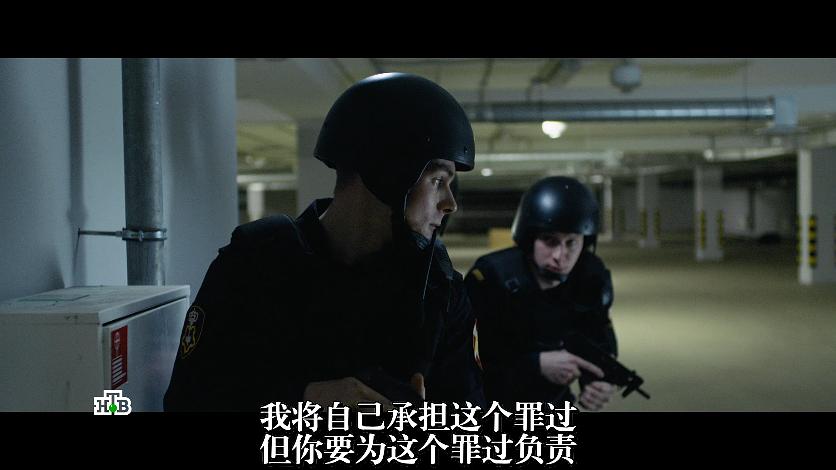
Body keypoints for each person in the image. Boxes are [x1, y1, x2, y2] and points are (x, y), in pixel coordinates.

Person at [165, 73, 485, 411]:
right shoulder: (255, 264)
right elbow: (187, 401)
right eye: (437, 180)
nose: (450, 204)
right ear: (388, 172)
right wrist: (302, 400)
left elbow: (470, 419)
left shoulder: (438, 288)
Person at [464, 176, 618, 411]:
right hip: (491, 403)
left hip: (553, 402)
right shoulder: (491, 278)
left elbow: (598, 340)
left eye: (571, 243)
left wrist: (598, 380)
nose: (560, 256)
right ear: (529, 238)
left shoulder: (590, 277)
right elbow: (463, 360)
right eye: (550, 241)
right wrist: (535, 364)